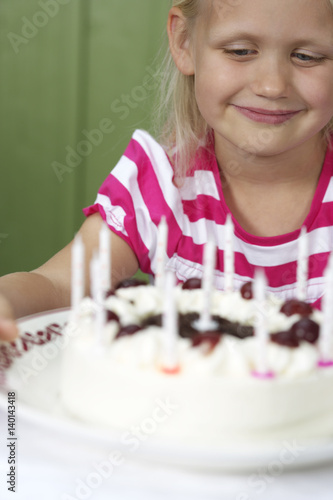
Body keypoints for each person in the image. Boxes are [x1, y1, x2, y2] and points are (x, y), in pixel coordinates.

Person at [1, 0, 333, 342]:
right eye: (241, 51)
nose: (272, 86)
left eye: (307, 56)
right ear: (184, 41)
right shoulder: (161, 184)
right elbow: (60, 286)